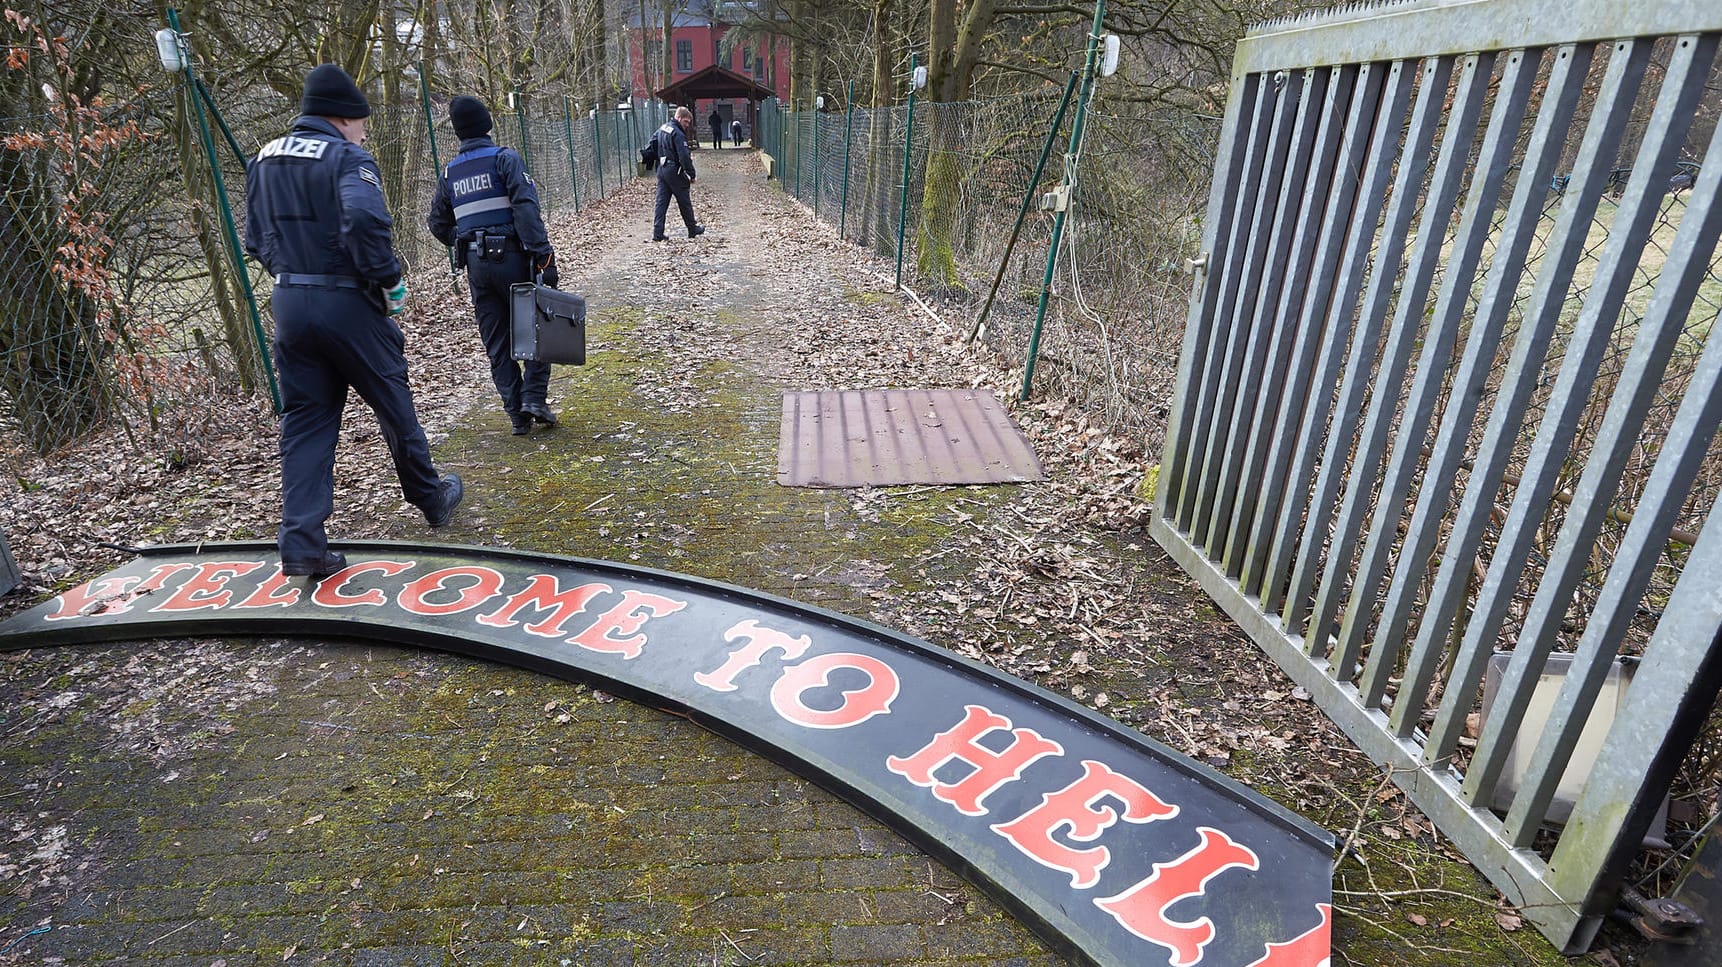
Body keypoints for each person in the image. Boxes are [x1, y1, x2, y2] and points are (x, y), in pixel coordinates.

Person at [244, 64, 463, 578]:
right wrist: (386, 281)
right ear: (342, 118)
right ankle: (431, 497)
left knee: (305, 421)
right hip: (349, 303)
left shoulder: (264, 158)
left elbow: (255, 236)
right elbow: (364, 220)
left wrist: (292, 275)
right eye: (361, 121)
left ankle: (302, 544)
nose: (364, 130)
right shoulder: (347, 157)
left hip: (290, 302)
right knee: (391, 397)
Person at [427, 95, 560, 436]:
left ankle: (516, 414)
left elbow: (437, 223)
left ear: (458, 132)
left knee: (497, 342)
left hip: (476, 266)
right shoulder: (505, 159)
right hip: (513, 258)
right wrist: (544, 256)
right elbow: (526, 209)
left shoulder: (450, 173)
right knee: (537, 326)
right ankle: (533, 397)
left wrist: (467, 238)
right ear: (487, 124)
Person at [653, 107, 705, 242]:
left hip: (662, 168)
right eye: (686, 122)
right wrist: (691, 174)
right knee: (684, 201)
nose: (687, 126)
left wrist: (655, 161)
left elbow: (652, 143)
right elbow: (684, 156)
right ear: (679, 118)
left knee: (661, 202)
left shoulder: (663, 128)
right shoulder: (678, 133)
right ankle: (692, 229)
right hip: (674, 170)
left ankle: (657, 233)